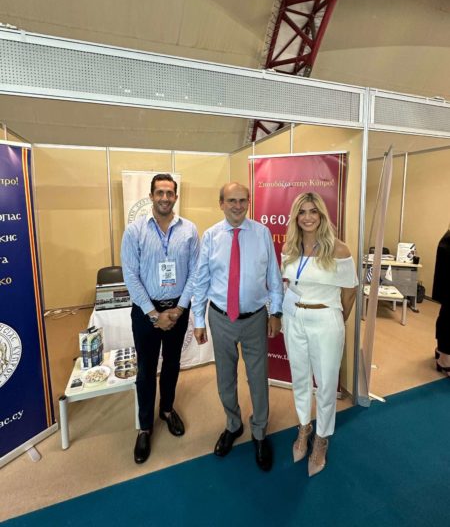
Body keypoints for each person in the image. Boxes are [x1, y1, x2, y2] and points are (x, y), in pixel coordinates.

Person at [193, 182, 283, 472]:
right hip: (221, 318)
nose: (237, 206)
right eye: (231, 200)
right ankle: (233, 425)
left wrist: (276, 312)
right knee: (225, 377)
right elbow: (201, 280)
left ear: (249, 202)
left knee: (258, 378)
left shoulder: (262, 233)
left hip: (255, 318)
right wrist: (198, 320)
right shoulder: (210, 236)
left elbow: (274, 276)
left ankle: (259, 432)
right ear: (221, 203)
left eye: (242, 200)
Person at [121, 173, 199, 464]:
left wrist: (179, 309)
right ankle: (145, 426)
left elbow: (195, 271)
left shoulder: (189, 230)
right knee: (146, 368)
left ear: (175, 197)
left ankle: (166, 409)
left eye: (169, 193)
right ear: (151, 196)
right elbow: (131, 275)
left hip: (178, 308)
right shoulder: (135, 231)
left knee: (173, 363)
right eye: (159, 192)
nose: (165, 198)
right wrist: (154, 315)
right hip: (146, 311)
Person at [281, 192, 357, 477]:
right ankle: (304, 427)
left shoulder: (339, 249)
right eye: (302, 212)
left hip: (325, 318)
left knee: (325, 384)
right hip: (293, 318)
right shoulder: (290, 247)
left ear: (322, 215)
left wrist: (336, 320)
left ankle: (322, 438)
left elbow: (349, 292)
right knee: (300, 377)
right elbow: (288, 284)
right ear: (296, 217)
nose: (308, 217)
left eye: (313, 211)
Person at [432, 226, 450, 377]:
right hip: (448, 290)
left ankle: (442, 353)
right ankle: (444, 359)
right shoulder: (447, 241)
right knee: (447, 320)